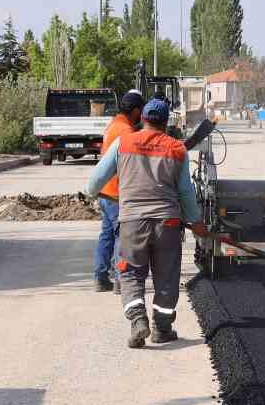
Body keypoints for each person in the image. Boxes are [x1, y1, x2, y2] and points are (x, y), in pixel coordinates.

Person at [85, 98, 207, 348]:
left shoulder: (123, 142)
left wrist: (92, 192)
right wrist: (195, 221)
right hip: (169, 223)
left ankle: (137, 319)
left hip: (132, 221)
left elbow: (95, 181)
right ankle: (161, 329)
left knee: (129, 272)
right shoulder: (177, 149)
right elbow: (185, 192)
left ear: (143, 118)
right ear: (166, 122)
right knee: (167, 275)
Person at [92, 90, 145, 292]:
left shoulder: (113, 125)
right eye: (141, 113)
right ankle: (120, 280)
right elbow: (132, 164)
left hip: (105, 191)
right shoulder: (126, 132)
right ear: (136, 111)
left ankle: (100, 277)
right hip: (117, 193)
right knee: (121, 236)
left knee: (106, 235)